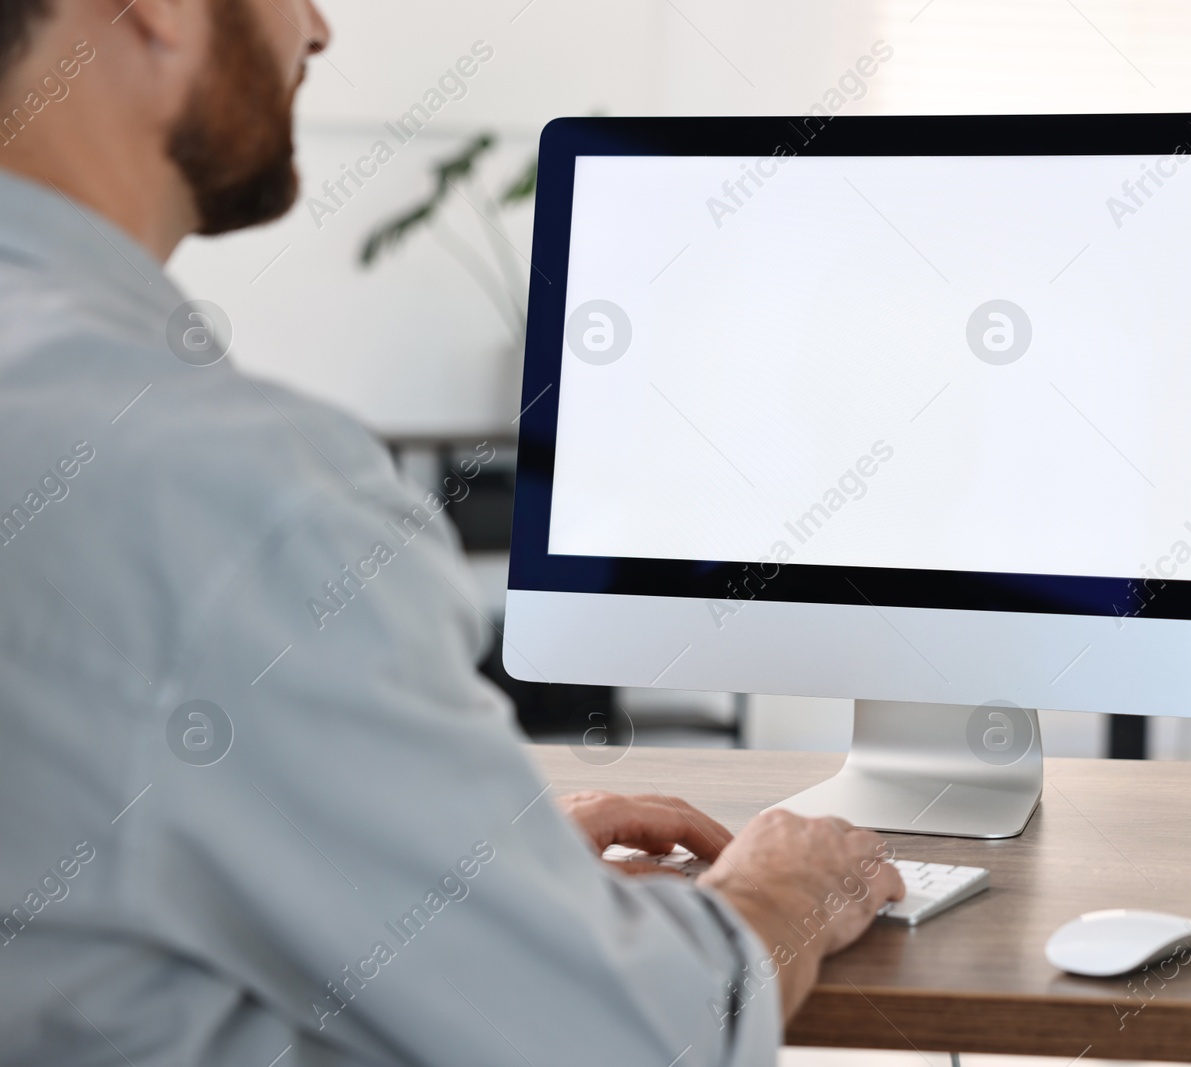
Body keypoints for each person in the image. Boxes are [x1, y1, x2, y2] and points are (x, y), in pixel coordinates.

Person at [0, 0, 904, 1063]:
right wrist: (780, 883)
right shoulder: (224, 483)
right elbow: (616, 1041)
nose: (319, 30)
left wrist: (466, 872)